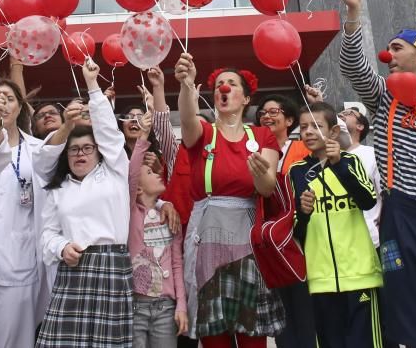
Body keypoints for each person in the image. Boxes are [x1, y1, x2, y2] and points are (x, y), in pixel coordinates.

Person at [339, 0, 416, 348]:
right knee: (411, 328)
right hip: (404, 224)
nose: (387, 56)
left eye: (395, 48)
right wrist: (353, 12)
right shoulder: (386, 99)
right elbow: (354, 67)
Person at [175, 54, 285, 347]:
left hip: (248, 240)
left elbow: (266, 188)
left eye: (232, 84)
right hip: (209, 240)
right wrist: (186, 85)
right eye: (219, 85)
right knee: (215, 336)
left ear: (246, 98)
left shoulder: (263, 135)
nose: (224, 88)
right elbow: (186, 118)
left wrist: (261, 175)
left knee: (252, 335)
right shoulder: (205, 132)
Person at [35, 58, 133, 348]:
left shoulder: (115, 171)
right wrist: (61, 247)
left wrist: (92, 86)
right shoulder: (58, 189)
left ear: (99, 152)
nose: (80, 154)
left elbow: (109, 134)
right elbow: (47, 235)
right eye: (74, 150)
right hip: (73, 270)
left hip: (112, 267)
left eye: (87, 148)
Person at [289, 102, 383, 348]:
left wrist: (338, 163)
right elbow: (296, 229)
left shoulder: (351, 161)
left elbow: (367, 199)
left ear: (332, 132)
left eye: (315, 126)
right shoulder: (296, 172)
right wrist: (304, 211)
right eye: (303, 127)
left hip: (360, 274)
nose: (308, 132)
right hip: (320, 278)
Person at [0, 79, 50, 348]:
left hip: (16, 263)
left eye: (9, 98)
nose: (2, 103)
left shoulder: (37, 150)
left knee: (11, 342)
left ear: (21, 106)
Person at [255, 93, 316, 348]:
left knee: (306, 309)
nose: (267, 116)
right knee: (282, 313)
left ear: (289, 119)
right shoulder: (255, 151)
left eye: (274, 112)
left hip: (303, 235)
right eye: (263, 113)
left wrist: (315, 106)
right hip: (271, 242)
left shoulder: (302, 147)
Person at [129, 106, 188, 348]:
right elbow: (131, 174)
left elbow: (176, 264)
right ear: (138, 188)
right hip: (134, 306)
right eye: (148, 172)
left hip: (166, 307)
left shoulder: (170, 215)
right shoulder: (130, 213)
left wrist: (181, 305)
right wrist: (143, 136)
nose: (156, 173)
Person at [338, 107, 381, 249]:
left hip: (370, 239)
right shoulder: (324, 158)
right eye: (340, 114)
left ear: (360, 126)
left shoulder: (372, 154)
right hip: (336, 241)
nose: (342, 115)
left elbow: (386, 195)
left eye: (348, 113)